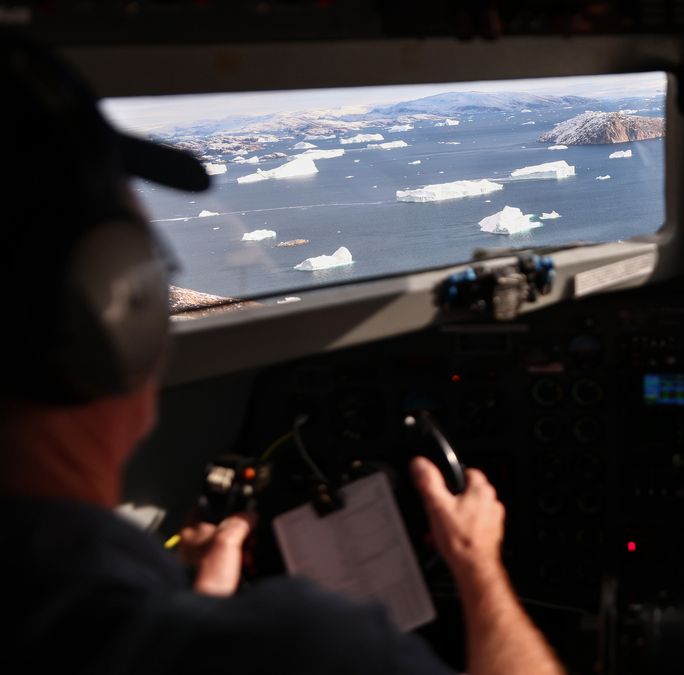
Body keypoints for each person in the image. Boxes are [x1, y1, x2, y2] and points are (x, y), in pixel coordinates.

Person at [0, 30, 564, 675]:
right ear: (109, 319)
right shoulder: (297, 649)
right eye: (149, 273)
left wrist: (195, 607)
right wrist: (477, 563)